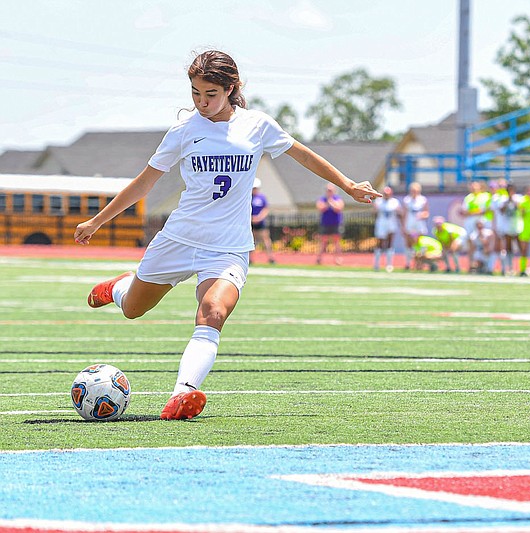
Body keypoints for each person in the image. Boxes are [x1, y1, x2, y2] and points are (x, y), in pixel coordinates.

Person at [74, 50, 381, 420]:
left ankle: (181, 395)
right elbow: (143, 184)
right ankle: (121, 286)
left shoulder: (257, 125)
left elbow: (303, 155)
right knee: (134, 309)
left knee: (213, 311)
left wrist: (347, 185)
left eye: (210, 94)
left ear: (230, 88)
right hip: (180, 239)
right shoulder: (184, 131)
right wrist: (97, 221)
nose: (201, 103)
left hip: (227, 248)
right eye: (195, 93)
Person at [400, 182, 430, 270]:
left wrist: (421, 215)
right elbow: (404, 214)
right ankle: (408, 263)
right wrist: (403, 226)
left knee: (419, 244)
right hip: (409, 224)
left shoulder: (423, 200)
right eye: (412, 190)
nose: (414, 192)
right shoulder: (407, 200)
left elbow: (426, 213)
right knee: (408, 244)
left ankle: (420, 263)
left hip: (419, 225)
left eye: (416, 191)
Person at [372, 186, 401, 272]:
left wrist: (399, 211)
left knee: (389, 244)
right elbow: (374, 213)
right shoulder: (378, 202)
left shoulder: (395, 202)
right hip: (381, 224)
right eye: (385, 193)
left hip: (391, 224)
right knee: (379, 244)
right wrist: (375, 209)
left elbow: (400, 213)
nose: (386, 195)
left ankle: (389, 265)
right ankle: (376, 264)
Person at [316, 183, 345, 265]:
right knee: (323, 241)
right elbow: (321, 208)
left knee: (336, 242)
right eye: (328, 190)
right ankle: (319, 259)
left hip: (336, 223)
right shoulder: (322, 199)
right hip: (325, 223)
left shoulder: (338, 199)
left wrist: (331, 202)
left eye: (331, 190)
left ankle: (338, 259)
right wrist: (328, 203)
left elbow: (338, 208)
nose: (329, 192)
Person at [250, 178, 275, 264]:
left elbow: (265, 209)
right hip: (251, 222)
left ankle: (271, 257)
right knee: (251, 241)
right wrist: (251, 218)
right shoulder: (248, 197)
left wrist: (259, 217)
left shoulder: (262, 197)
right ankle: (250, 259)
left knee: (266, 240)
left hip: (261, 223)